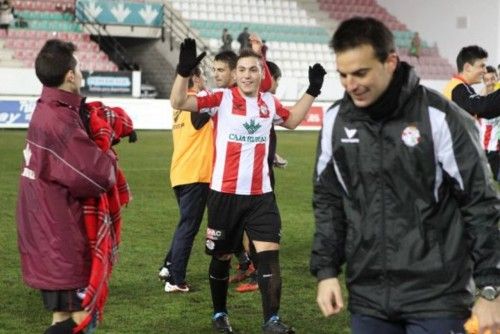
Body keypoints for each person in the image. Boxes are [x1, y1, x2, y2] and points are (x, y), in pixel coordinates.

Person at [310, 16, 500, 334]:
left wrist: (491, 287)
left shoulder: (440, 117)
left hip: (438, 297)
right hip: (369, 298)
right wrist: (327, 270)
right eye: (343, 75)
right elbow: (328, 200)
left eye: (360, 72)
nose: (350, 84)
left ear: (390, 62)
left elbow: (480, 203)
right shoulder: (336, 122)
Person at [170, 38, 326, 334]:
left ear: (260, 73)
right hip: (224, 195)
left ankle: (272, 321)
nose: (246, 74)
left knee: (269, 256)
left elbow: (292, 121)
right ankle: (219, 315)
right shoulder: (220, 99)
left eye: (252, 69)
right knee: (222, 257)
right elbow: (178, 102)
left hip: (261, 197)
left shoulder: (269, 102)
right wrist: (182, 71)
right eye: (241, 69)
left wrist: (313, 90)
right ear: (235, 74)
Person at [16, 39, 117, 334]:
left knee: (62, 317)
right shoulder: (59, 120)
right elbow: (99, 176)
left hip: (45, 230)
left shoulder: (47, 107)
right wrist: (108, 145)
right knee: (84, 319)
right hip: (60, 237)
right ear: (70, 75)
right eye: (79, 68)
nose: (81, 74)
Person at [158, 66, 213, 293]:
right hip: (196, 174)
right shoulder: (197, 105)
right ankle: (176, 279)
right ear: (197, 79)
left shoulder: (180, 107)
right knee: (188, 227)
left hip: (180, 173)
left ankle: (168, 266)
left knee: (185, 225)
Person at [443, 46, 500, 181]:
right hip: (456, 158)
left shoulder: (461, 88)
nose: (485, 70)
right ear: (468, 67)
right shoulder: (458, 88)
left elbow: (484, 110)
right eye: (482, 66)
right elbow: (481, 107)